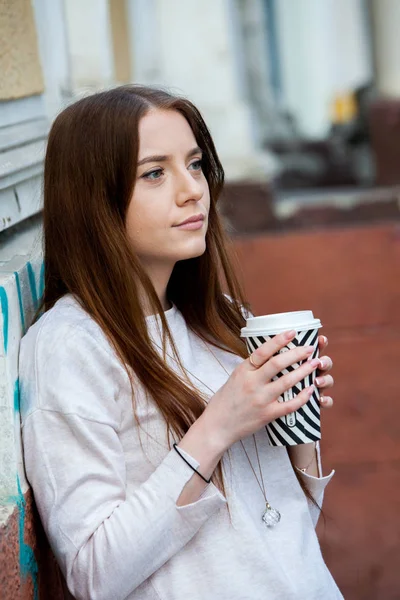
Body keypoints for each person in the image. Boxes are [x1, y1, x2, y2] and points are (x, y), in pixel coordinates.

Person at [19, 85, 343, 600]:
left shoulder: (223, 319)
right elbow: (92, 575)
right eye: (154, 172)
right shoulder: (70, 346)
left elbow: (286, 526)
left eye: (195, 165)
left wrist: (297, 422)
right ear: (93, 197)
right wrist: (219, 423)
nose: (192, 189)